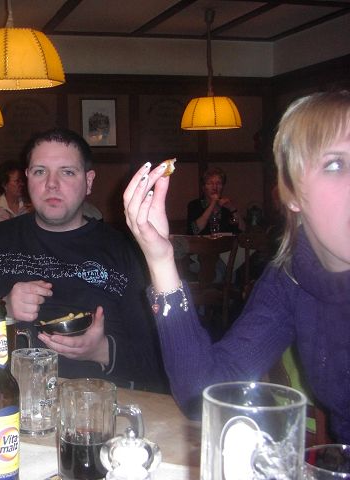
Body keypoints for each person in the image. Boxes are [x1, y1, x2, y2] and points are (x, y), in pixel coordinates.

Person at [123, 90, 350, 442]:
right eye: (336, 164)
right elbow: (203, 394)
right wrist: (160, 259)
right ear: (291, 193)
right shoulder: (291, 279)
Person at [0, 128, 166, 391]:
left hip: (95, 402)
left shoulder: (124, 251)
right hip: (9, 397)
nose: (51, 184)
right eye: (40, 171)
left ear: (89, 181)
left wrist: (102, 351)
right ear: (27, 178)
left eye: (67, 172)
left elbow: (161, 359)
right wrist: (2, 312)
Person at [186, 167, 243, 235]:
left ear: (222, 186)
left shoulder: (226, 206)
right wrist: (213, 203)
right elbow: (195, 230)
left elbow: (242, 230)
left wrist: (232, 208)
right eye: (210, 183)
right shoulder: (195, 205)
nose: (215, 187)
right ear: (204, 187)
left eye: (218, 183)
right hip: (202, 241)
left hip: (224, 241)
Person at [0, 160, 32, 228]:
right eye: (17, 181)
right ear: (4, 185)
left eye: (22, 181)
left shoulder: (28, 206)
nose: (21, 184)